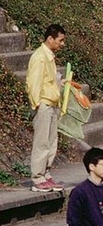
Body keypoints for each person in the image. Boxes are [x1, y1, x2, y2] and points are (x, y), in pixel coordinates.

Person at [26, 23, 67, 192]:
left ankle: (46, 174)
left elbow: (48, 80)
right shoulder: (39, 56)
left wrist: (61, 83)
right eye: (60, 40)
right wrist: (36, 104)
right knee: (42, 142)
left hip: (51, 104)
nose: (62, 44)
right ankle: (37, 177)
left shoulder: (49, 56)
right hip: (43, 104)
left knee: (51, 142)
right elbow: (32, 83)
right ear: (50, 39)